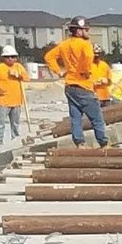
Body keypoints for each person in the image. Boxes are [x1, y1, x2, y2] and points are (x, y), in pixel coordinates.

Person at [45, 17, 109, 148]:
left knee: (75, 117)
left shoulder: (64, 44)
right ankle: (103, 144)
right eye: (86, 29)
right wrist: (85, 70)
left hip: (70, 85)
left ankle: (79, 143)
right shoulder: (85, 44)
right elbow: (88, 57)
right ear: (79, 31)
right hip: (83, 85)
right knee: (96, 118)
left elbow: (49, 57)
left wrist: (59, 71)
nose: (88, 32)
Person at [0, 45, 29, 149]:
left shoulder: (18, 66)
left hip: (16, 101)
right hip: (2, 101)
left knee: (15, 124)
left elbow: (27, 78)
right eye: (8, 57)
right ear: (3, 58)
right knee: (0, 123)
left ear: (16, 57)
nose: (10, 59)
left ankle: (15, 141)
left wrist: (18, 75)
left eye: (13, 56)